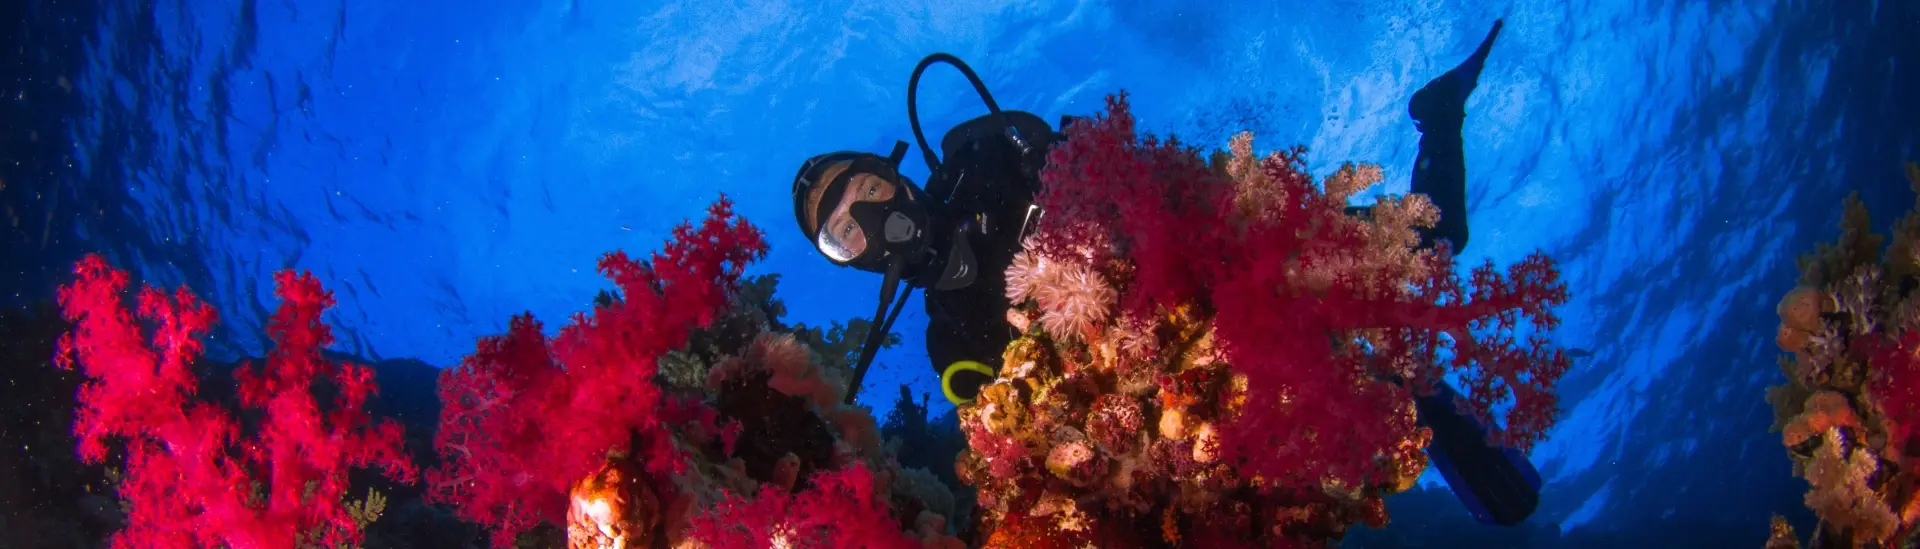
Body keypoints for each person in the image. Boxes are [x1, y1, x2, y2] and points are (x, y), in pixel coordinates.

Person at [790, 20, 1538, 526]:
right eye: (845, 232)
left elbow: (1105, 161)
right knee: (1498, 500)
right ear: (852, 261)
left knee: (1432, 238)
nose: (873, 220)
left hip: (1213, 245)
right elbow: (1013, 435)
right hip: (1200, 376)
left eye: (867, 190)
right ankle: (1402, 400)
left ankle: (1437, 117)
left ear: (893, 174)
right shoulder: (946, 337)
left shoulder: (984, 162)